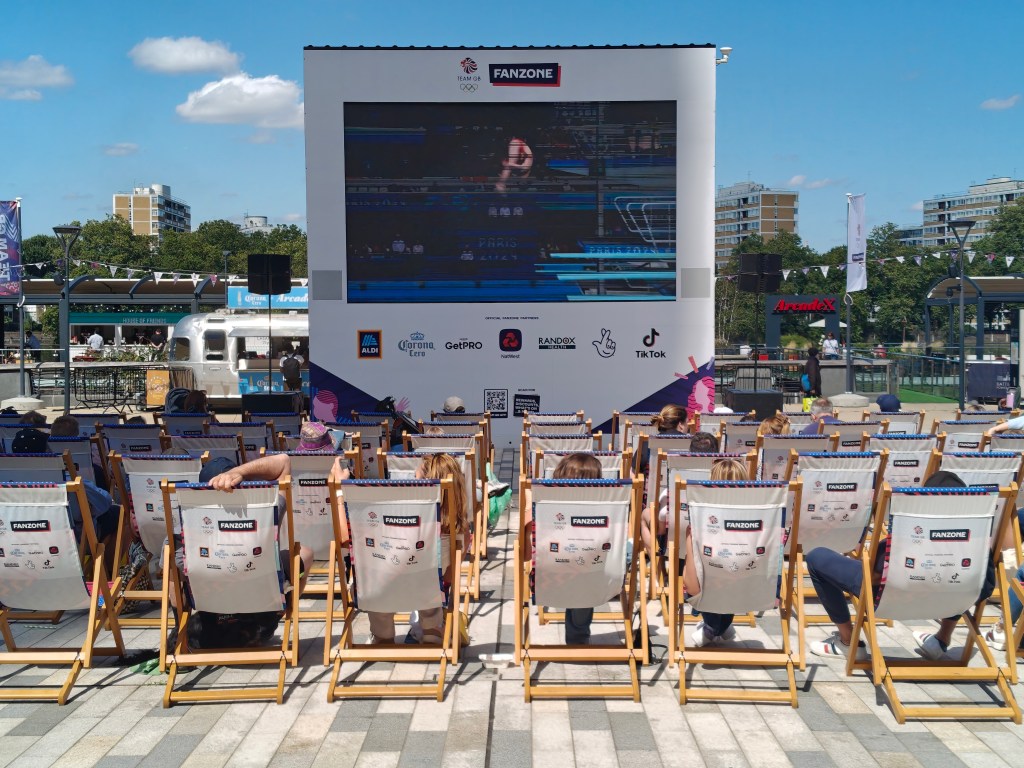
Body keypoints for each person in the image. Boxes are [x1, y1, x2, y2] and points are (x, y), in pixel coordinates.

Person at [807, 470, 996, 661]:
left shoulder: (910, 536)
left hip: (892, 599)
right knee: (960, 579)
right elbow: (985, 588)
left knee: (817, 557)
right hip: (951, 602)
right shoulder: (977, 546)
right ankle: (941, 639)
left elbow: (876, 574)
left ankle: (848, 643)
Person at [364, 452, 469, 644]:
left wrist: (338, 491)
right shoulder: (457, 529)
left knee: (376, 575)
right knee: (433, 584)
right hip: (429, 594)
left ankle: (383, 637)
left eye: (416, 479)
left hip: (382, 593)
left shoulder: (392, 519)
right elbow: (447, 577)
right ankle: (432, 631)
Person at [12, 427, 118, 565]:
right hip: (73, 540)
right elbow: (104, 502)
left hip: (20, 541)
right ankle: (108, 572)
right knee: (119, 513)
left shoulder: (8, 485)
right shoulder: (68, 483)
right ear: (46, 453)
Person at [687, 458, 752, 647]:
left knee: (705, 571)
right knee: (726, 574)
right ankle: (724, 624)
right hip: (746, 576)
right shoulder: (754, 512)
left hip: (712, 578)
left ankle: (713, 627)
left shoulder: (706, 515)